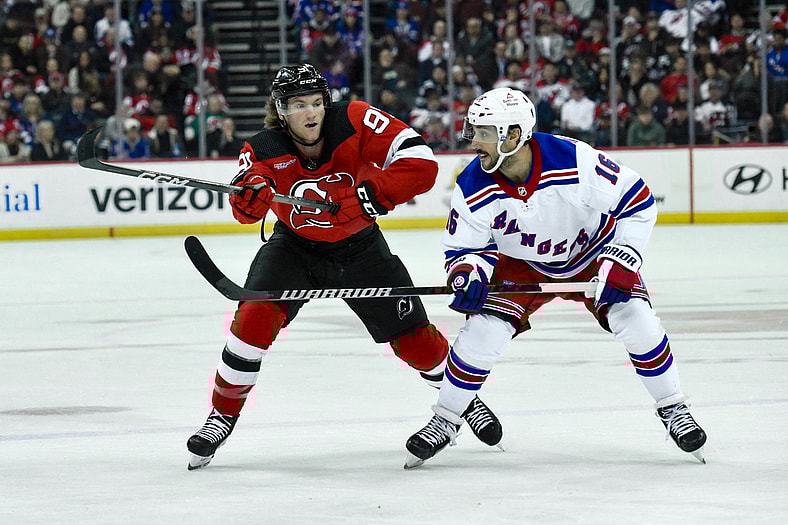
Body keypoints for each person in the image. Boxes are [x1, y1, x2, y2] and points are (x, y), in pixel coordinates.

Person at [185, 64, 503, 470]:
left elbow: (422, 162)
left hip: (362, 249)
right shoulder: (263, 147)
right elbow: (245, 207)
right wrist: (251, 198)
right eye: (299, 105)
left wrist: (373, 196)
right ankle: (222, 415)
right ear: (281, 110)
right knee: (252, 319)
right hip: (295, 249)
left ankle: (463, 401)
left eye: (317, 102)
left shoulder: (355, 120)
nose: (311, 112)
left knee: (415, 342)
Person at [403, 87, 707, 469]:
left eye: (483, 132)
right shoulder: (471, 183)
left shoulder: (573, 160)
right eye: (473, 130)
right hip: (521, 265)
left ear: (513, 135)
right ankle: (445, 419)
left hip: (592, 254)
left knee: (638, 321)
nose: (473, 141)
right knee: (483, 332)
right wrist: (468, 274)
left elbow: (638, 200)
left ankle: (673, 408)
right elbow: (464, 249)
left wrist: (624, 258)